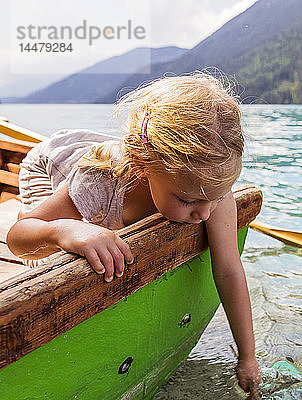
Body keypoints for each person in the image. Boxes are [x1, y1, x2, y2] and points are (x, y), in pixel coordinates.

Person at [6, 71, 261, 393]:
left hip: (127, 160)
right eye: (188, 201)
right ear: (143, 167)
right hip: (52, 164)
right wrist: (60, 229)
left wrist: (247, 357)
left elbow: (229, 271)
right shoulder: (97, 183)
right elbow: (18, 239)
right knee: (50, 245)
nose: (205, 214)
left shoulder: (207, 190)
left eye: (216, 197)